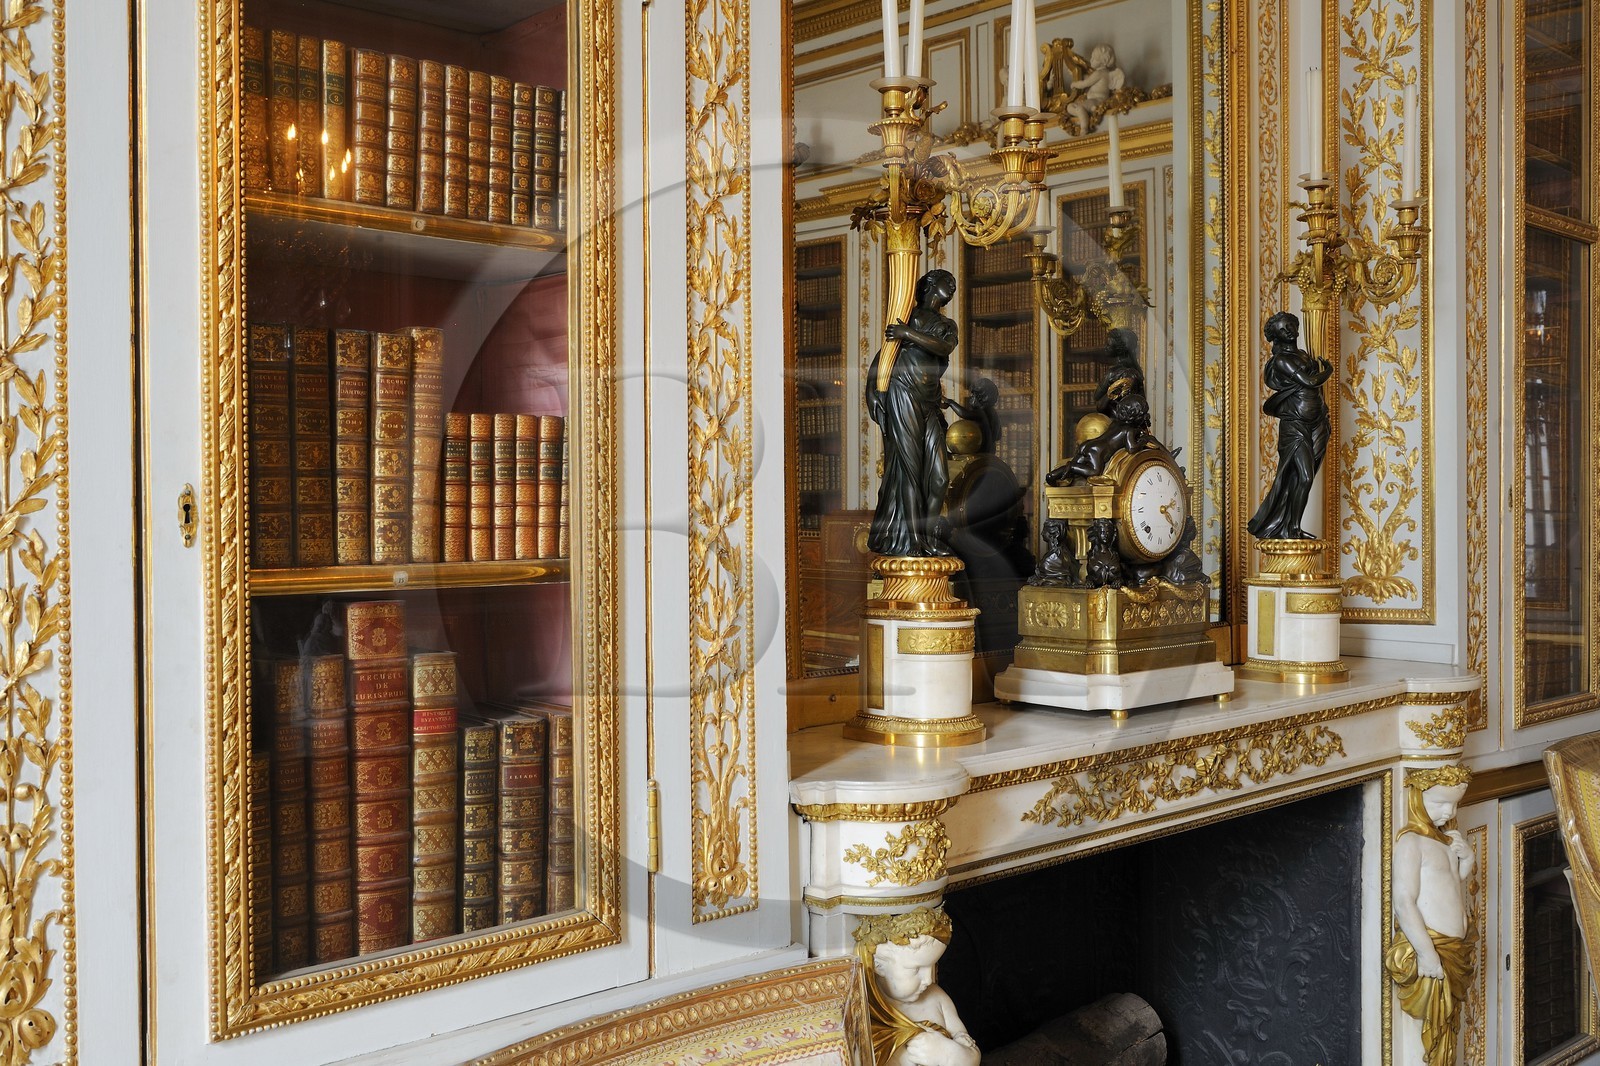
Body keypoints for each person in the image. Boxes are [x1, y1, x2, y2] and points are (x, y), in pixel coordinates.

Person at [867, 269, 960, 557]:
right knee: (909, 470)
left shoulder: (944, 325)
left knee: (939, 477)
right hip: (903, 392)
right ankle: (912, 541)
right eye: (948, 281)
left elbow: (945, 347)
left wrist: (908, 334)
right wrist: (874, 391)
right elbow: (883, 357)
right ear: (932, 285)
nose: (953, 285)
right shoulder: (907, 315)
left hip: (929, 401)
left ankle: (927, 536)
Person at [1387, 766, 1475, 1066]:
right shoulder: (1411, 843)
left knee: (1449, 1024)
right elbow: (1404, 900)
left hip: (1455, 950)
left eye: (1454, 804)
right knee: (1435, 1027)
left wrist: (1467, 861)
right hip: (1433, 950)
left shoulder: (1447, 840)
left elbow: (1453, 884)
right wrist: (1426, 954)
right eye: (1439, 804)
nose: (1448, 812)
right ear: (1414, 797)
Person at [1247, 311, 1333, 540]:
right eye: (1284, 329)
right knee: (1303, 476)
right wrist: (1329, 371)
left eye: (1291, 326)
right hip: (1294, 427)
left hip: (1316, 423)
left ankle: (1292, 528)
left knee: (1303, 477)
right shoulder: (1282, 360)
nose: (1290, 331)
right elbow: (1310, 381)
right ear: (1276, 336)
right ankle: (1291, 527)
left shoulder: (1305, 355)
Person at [869, 934, 980, 1066]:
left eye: (933, 965)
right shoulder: (866, 1014)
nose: (928, 980)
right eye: (916, 969)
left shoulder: (937, 997)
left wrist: (948, 1054)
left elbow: (972, 1055)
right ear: (878, 966)